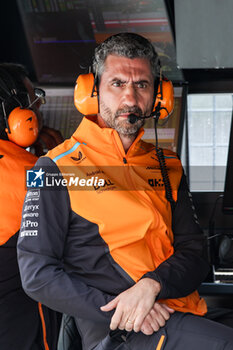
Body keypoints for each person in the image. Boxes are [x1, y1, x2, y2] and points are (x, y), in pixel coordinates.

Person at [17, 33, 233, 350]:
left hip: (180, 310)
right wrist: (127, 310)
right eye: (117, 84)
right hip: (118, 332)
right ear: (91, 92)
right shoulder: (51, 168)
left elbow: (195, 254)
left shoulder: (167, 165)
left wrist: (152, 285)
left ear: (159, 95)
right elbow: (37, 275)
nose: (130, 99)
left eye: (142, 85)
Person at [0, 63, 61, 350]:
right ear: (14, 115)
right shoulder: (35, 173)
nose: (39, 107)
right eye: (32, 99)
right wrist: (59, 157)